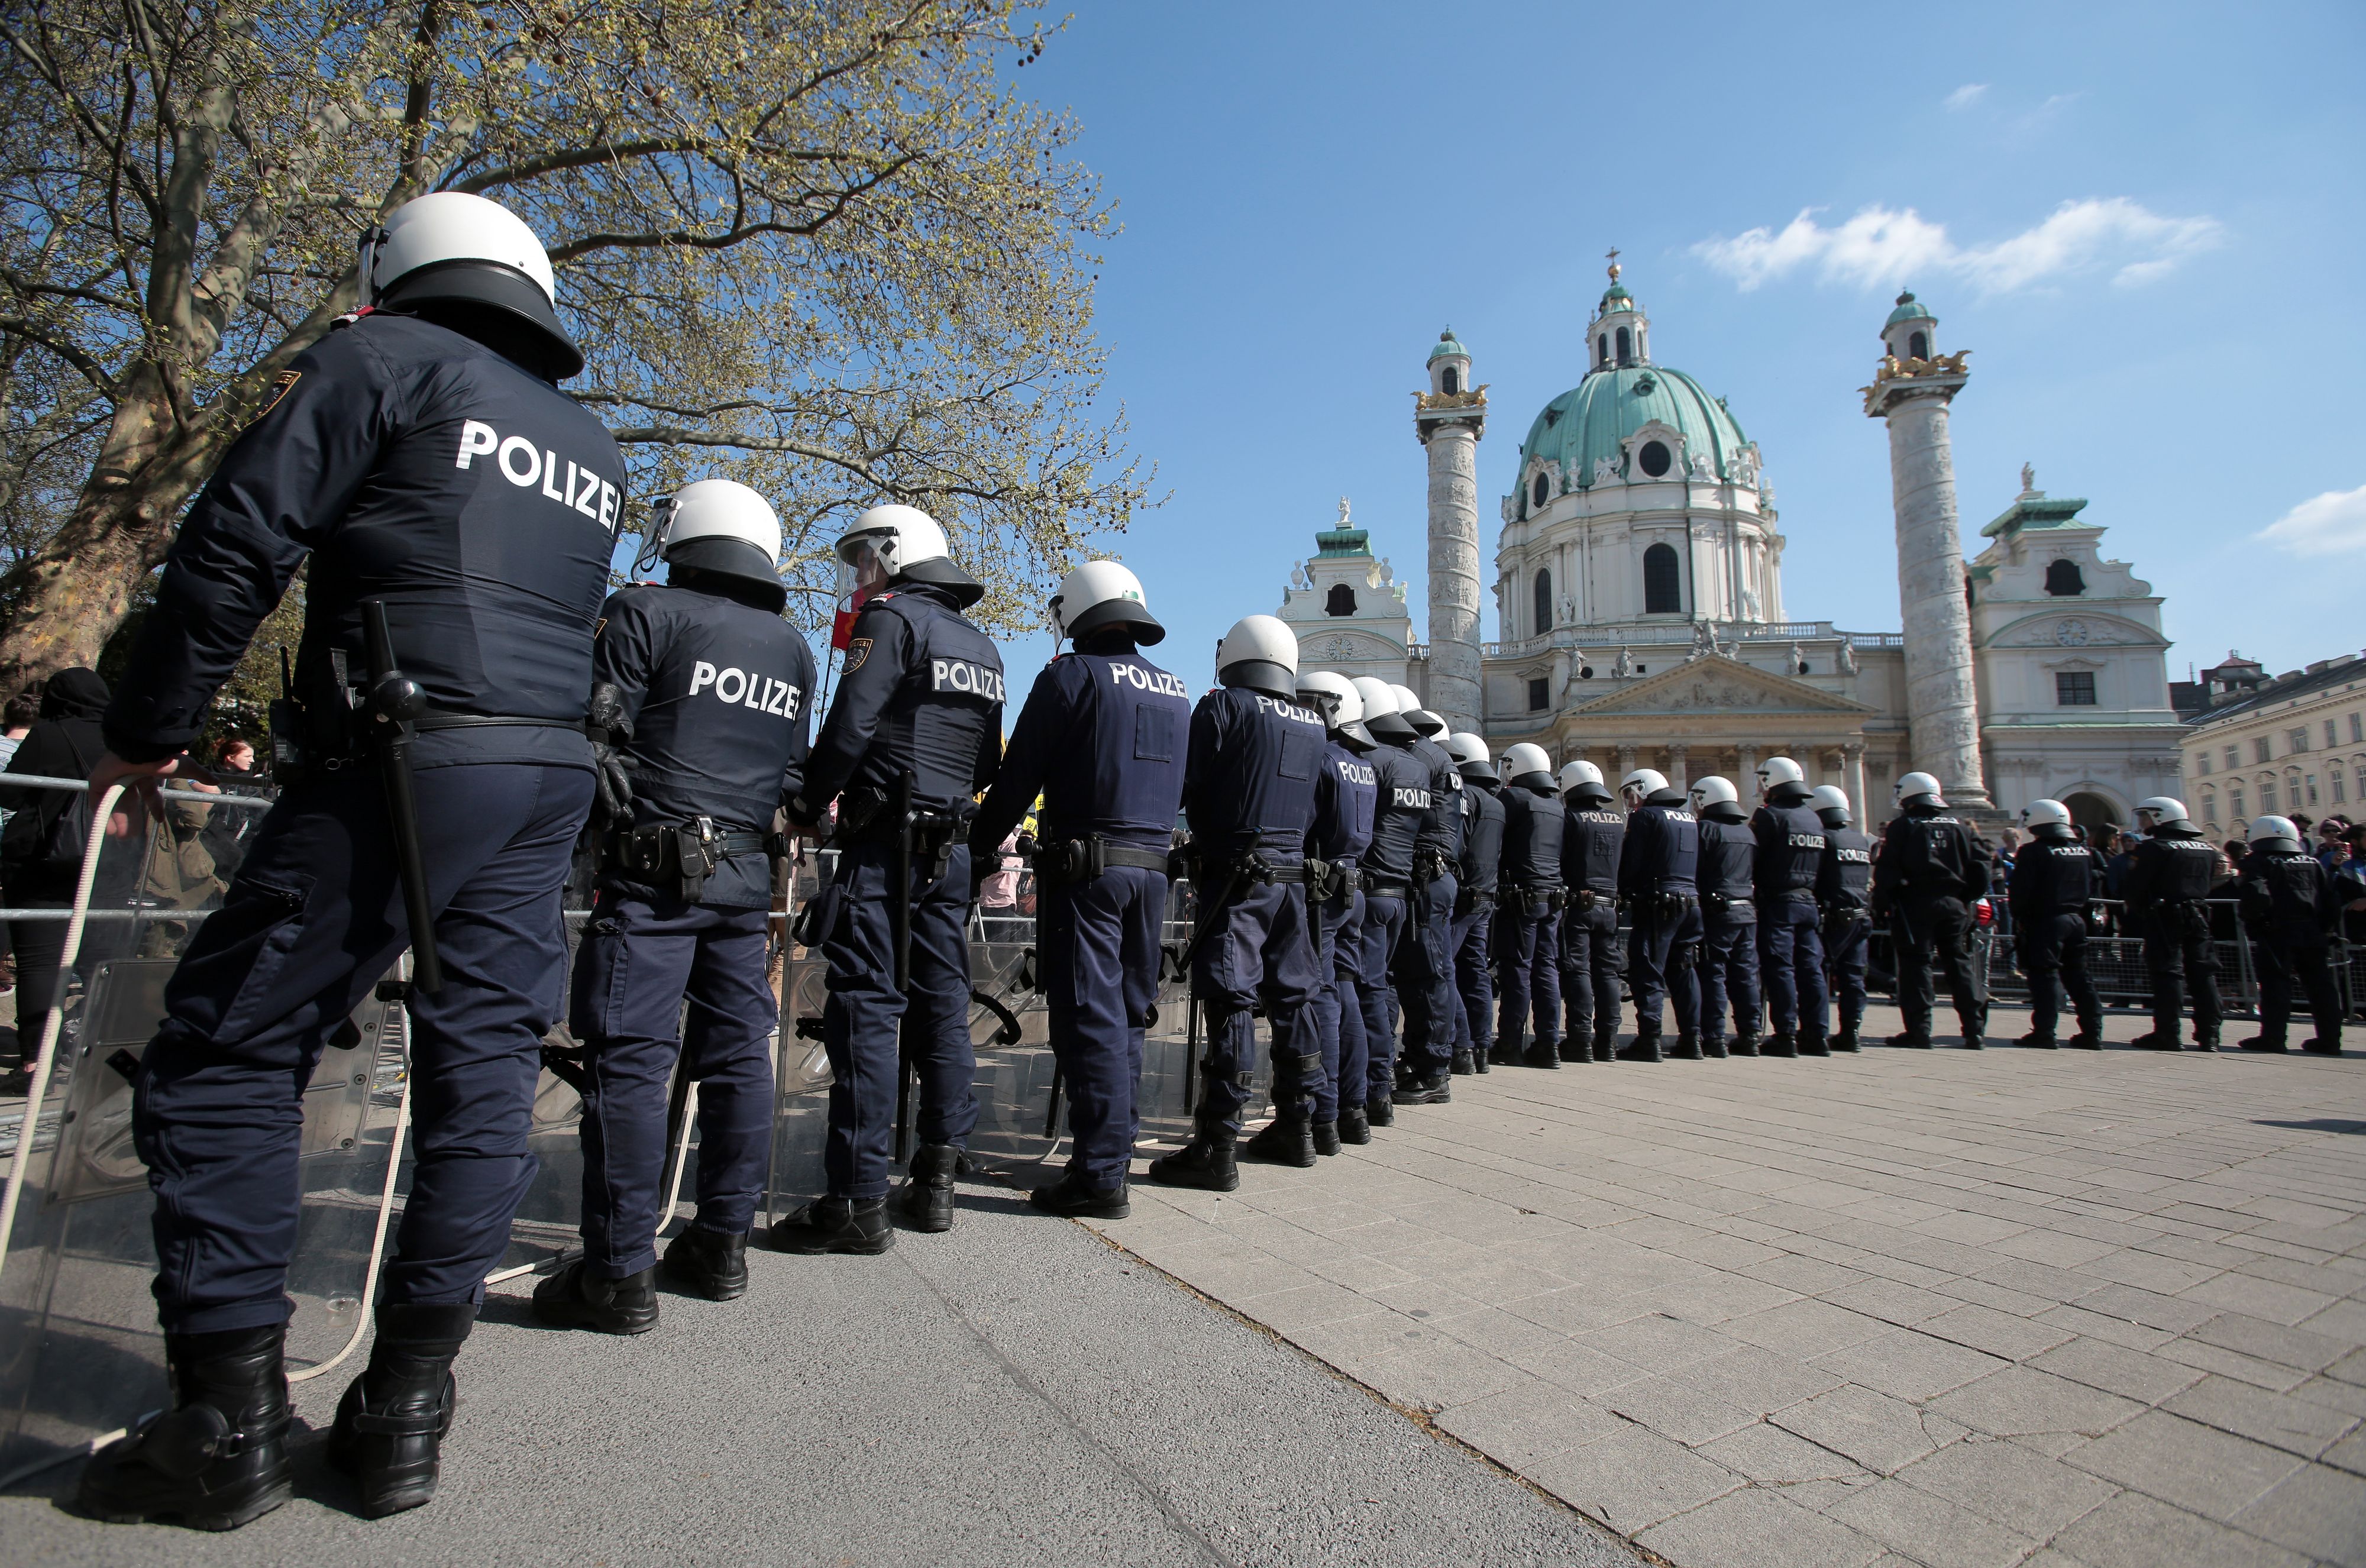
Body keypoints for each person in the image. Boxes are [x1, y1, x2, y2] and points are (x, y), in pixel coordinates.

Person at [75, 190, 622, 1527]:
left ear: (401, 272)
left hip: (404, 757)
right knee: (483, 1073)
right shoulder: (588, 441)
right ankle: (405, 1417)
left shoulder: (374, 358)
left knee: (220, 1051)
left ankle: (228, 1424)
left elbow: (232, 547)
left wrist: (146, 728)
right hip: (546, 775)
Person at [531, 479, 813, 1333]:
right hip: (740, 887)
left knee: (630, 1065)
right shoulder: (794, 649)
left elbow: (595, 735)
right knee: (738, 1058)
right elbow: (792, 776)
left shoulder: (643, 613)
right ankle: (721, 1241)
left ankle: (619, 1270)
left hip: (651, 880)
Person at [771, 504, 1004, 1247]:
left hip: (886, 848)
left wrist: (808, 800)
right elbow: (987, 766)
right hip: (951, 849)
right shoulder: (984, 644)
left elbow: (851, 723)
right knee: (941, 1007)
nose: (858, 572)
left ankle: (856, 1199)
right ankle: (936, 1178)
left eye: (863, 556)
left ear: (894, 553)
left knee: (866, 1009)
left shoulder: (893, 619)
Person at [967, 561, 1186, 1212]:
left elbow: (1017, 778)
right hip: (1150, 874)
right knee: (1127, 1016)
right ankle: (1111, 1154)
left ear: (1077, 611)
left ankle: (1098, 1174)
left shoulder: (1071, 675)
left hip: (1086, 874)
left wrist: (978, 846)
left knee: (1087, 1016)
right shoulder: (1176, 687)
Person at [1149, 615, 1320, 1186]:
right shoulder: (1314, 722)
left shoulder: (1224, 707)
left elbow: (1185, 782)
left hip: (1235, 880)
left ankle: (1217, 1144)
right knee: (1295, 1000)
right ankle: (1298, 1127)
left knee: (1231, 1003)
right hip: (1291, 881)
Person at [0, 669, 112, 1094]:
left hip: (42, 861)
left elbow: (10, 794)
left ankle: (35, 1065)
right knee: (99, 961)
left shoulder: (49, 735)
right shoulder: (119, 739)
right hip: (106, 862)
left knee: (41, 963)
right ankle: (100, 1053)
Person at [1295, 671, 1376, 1152]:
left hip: (1323, 889)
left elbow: (1301, 824)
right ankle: (1355, 1109)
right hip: (1354, 887)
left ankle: (1322, 1117)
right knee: (1346, 994)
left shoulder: (1322, 757)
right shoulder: (1360, 762)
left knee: (1323, 995)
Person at [1346, 678, 1427, 1130]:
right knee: (1383, 987)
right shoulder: (1416, 767)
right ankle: (1381, 1082)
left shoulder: (1370, 761)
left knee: (1364, 993)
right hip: (1400, 892)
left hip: (1371, 889)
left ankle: (1372, 1091)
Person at [1870, 771, 1991, 1049]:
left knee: (1916, 966)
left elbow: (1888, 869)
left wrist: (1883, 904)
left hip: (1915, 904)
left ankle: (1919, 1030)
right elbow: (1982, 865)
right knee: (1959, 964)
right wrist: (1966, 896)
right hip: (1954, 904)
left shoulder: (1904, 826)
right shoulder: (1961, 826)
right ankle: (1975, 1030)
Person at [1386, 687, 1461, 1105]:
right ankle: (1429, 1061)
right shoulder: (1441, 757)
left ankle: (1431, 1070)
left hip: (1422, 877)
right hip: (1438, 875)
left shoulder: (1416, 755)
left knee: (1423, 977)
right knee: (1433, 974)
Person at [2121, 796, 2226, 1052]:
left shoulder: (2154, 848)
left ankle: (2168, 1033)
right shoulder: (2206, 849)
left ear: (2160, 816)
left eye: (2146, 816)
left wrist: (2141, 910)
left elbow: (2135, 887)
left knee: (2168, 974)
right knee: (2203, 974)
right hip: (2198, 914)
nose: (2143, 821)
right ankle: (2209, 1035)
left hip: (2165, 914)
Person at [2235, 815, 2344, 1054]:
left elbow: (2256, 896)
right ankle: (2330, 1040)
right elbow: (2331, 900)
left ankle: (2273, 1038)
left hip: (2277, 931)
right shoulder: (2312, 862)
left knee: (2276, 985)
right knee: (2321, 986)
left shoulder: (2257, 861)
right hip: (2312, 931)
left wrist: (2256, 922)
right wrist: (2325, 928)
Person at [1616, 768, 1700, 1062]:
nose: (1631, 802)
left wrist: (1625, 889)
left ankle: (1650, 1039)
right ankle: (1692, 1039)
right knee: (1684, 971)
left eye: (1630, 795)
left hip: (1659, 904)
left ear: (1642, 789)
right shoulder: (1689, 818)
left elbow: (1632, 863)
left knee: (1648, 970)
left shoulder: (1645, 817)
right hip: (1691, 903)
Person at [2008, 800, 2103, 1050]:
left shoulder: (2033, 852)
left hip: (2046, 921)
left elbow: (2021, 890)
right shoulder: (2083, 851)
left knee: (2045, 976)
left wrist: (2019, 917)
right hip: (2076, 919)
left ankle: (2045, 1031)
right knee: (2079, 977)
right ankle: (2093, 1031)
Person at [1751, 756, 1830, 1058]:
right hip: (1808, 900)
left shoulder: (1770, 816)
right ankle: (1818, 1033)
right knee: (1811, 969)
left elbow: (1754, 858)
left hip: (1778, 901)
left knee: (1780, 967)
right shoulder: (1813, 819)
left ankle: (1785, 1033)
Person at [1492, 743, 1564, 1068]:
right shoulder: (1556, 805)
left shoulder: (1515, 798)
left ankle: (1510, 1043)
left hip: (1522, 898)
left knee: (1517, 970)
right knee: (1546, 969)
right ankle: (1549, 1044)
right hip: (1552, 897)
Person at [1440, 733, 1501, 1074]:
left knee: (1445, 969)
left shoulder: (1466, 797)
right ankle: (1482, 1047)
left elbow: (1457, 844)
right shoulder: (1497, 802)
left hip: (1463, 897)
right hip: (1486, 896)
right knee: (1475, 971)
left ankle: (1460, 1045)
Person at [1559, 761, 1625, 1062]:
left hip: (1579, 904)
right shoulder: (1616, 820)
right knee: (1608, 973)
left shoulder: (1570, 818)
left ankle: (1581, 1039)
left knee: (1578, 971)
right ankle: (1609, 1042)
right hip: (1609, 905)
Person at [1690, 775, 1758, 1060]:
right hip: (1747, 910)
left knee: (1714, 973)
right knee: (1745, 975)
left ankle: (1715, 1037)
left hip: (1718, 910)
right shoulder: (1747, 833)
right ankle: (1750, 1035)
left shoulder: (1705, 831)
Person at [1809, 785, 1874, 1053]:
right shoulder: (1859, 840)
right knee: (1853, 977)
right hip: (1860, 916)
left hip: (1833, 917)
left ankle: (1817, 1031)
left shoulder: (1824, 839)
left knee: (1819, 973)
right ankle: (1852, 1031)